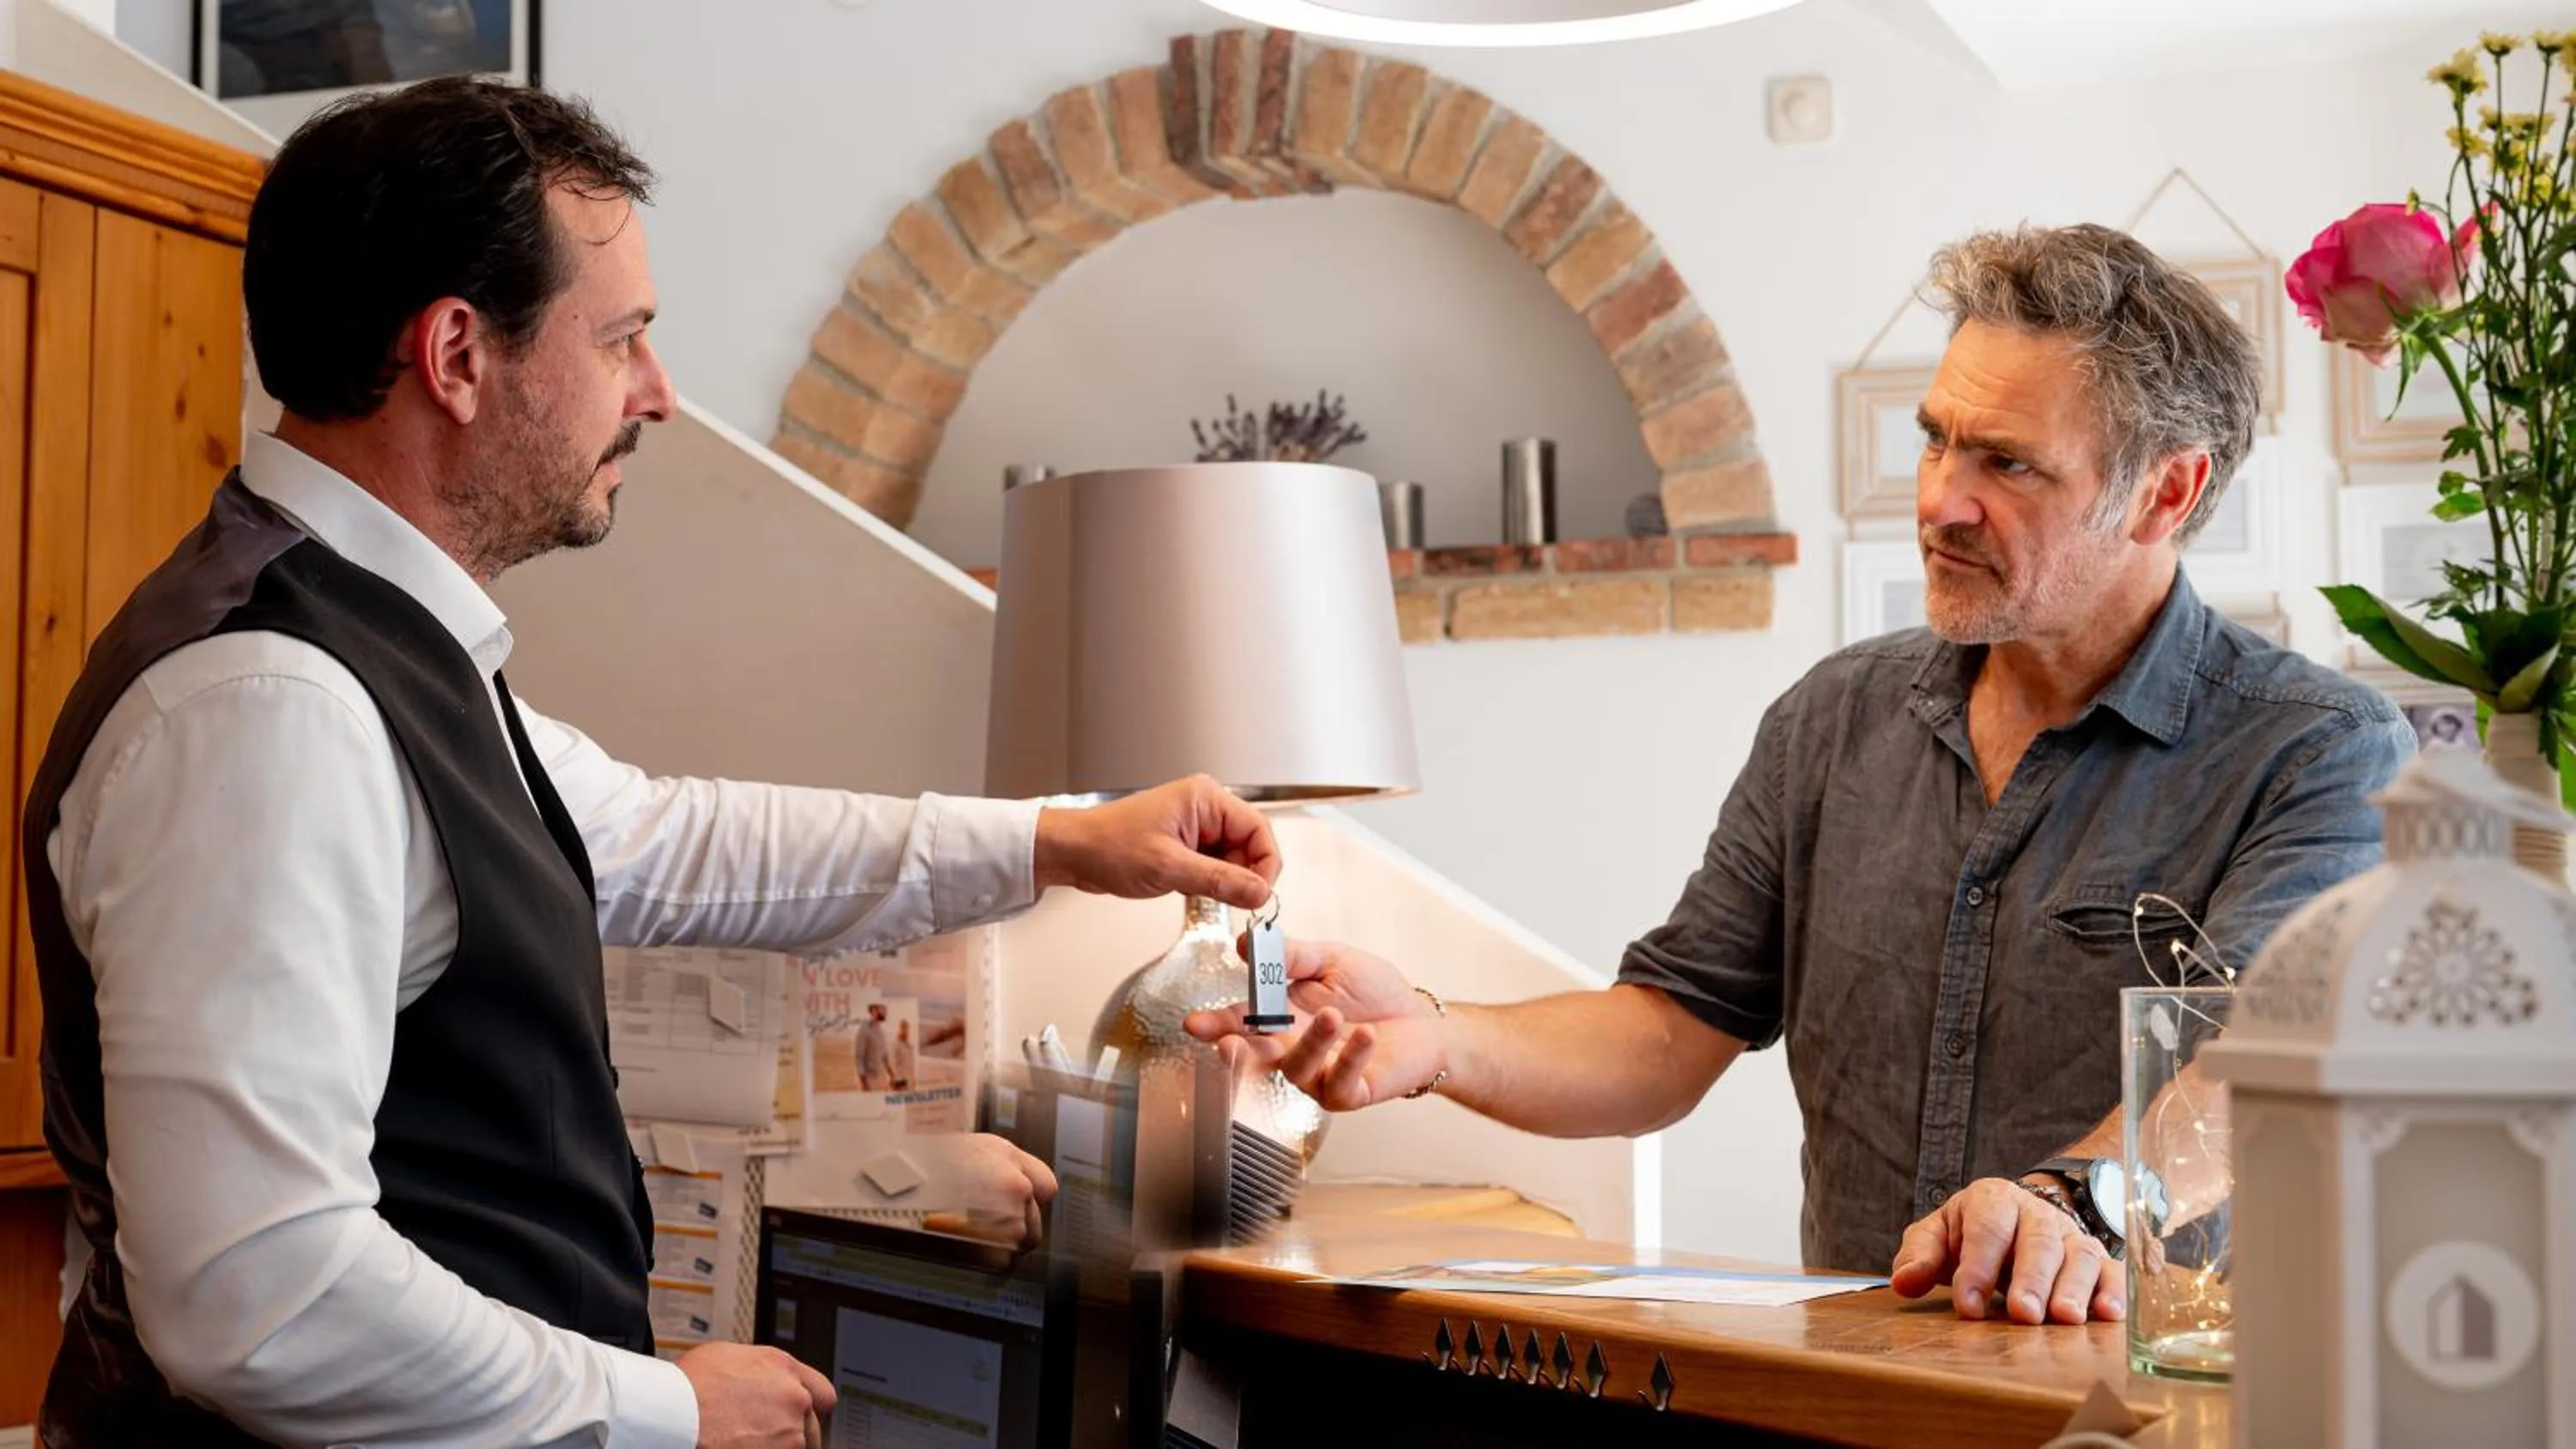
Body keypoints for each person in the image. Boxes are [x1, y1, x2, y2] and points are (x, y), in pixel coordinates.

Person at [28, 78, 1280, 1449]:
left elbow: (661, 840)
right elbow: (262, 1298)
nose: (659, 395)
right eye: (621, 337)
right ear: (456, 356)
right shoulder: (270, 709)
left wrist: (1059, 843)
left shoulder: (376, 651)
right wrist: (663, 1408)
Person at [1196, 223, 2413, 1329]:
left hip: (2151, 1403)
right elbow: (1671, 1029)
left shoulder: (2318, 751)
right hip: (1857, 1382)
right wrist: (1435, 1036)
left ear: (2169, 490)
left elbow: (2261, 1064)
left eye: (2009, 464)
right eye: (1936, 439)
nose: (1942, 500)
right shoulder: (1835, 718)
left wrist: (2075, 1206)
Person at [857, 1003, 893, 1092]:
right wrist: (864, 1083)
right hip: (869, 1079)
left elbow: (884, 1056)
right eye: (881, 1008)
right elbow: (859, 1057)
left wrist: (892, 1075)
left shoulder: (881, 1032)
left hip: (881, 1078)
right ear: (873, 1011)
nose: (884, 1011)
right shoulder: (864, 1029)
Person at [891, 1019, 917, 1092]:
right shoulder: (896, 1045)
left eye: (906, 1029)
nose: (905, 1031)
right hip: (900, 1080)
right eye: (903, 1029)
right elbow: (894, 1064)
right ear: (900, 1030)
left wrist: (913, 1079)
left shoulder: (910, 1047)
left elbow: (911, 1065)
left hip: (909, 1080)